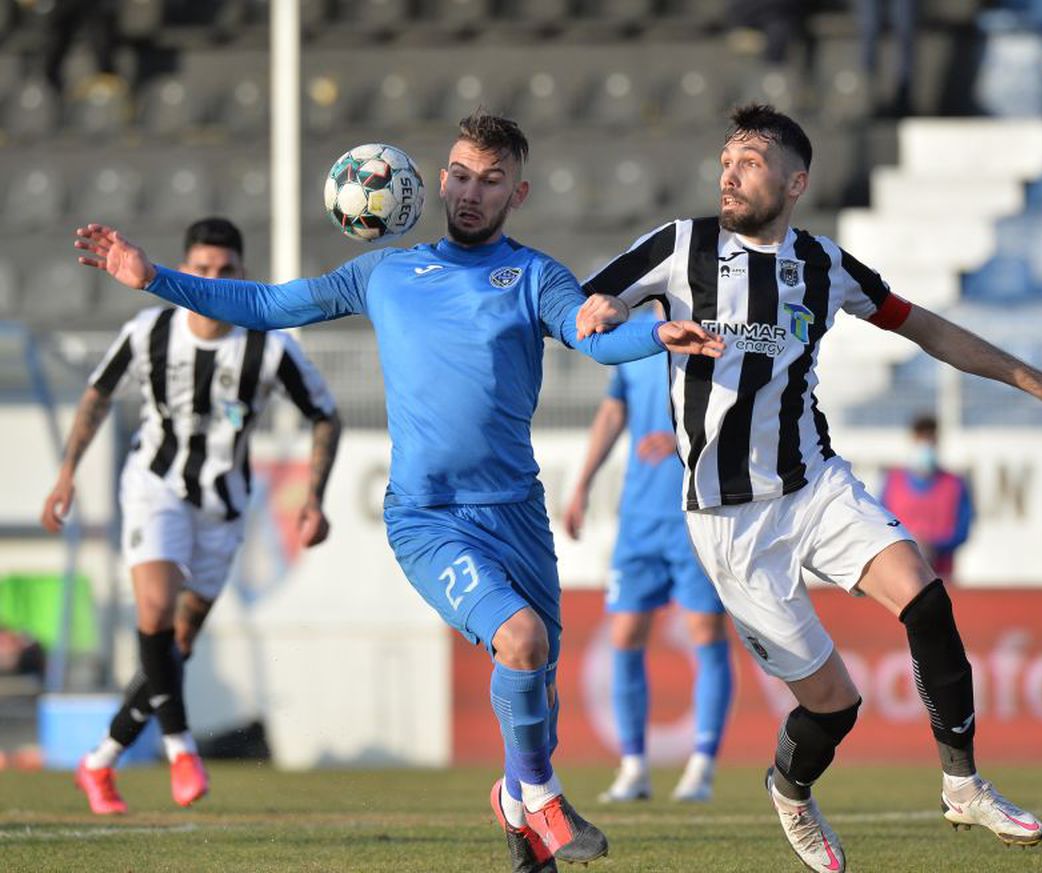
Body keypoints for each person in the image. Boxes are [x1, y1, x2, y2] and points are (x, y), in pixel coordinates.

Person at [72, 111, 722, 872]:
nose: (471, 192)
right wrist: (152, 278)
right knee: (521, 640)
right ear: (438, 179)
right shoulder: (383, 274)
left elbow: (593, 336)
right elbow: (266, 305)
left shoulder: (535, 276)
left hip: (516, 510)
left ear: (519, 192)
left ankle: (515, 799)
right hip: (428, 516)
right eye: (460, 174)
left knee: (534, 692)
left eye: (491, 180)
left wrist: (651, 334)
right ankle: (543, 802)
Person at [582, 103, 1042, 871]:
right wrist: (603, 313)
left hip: (814, 487)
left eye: (751, 160)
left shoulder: (824, 265)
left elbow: (926, 328)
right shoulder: (680, 246)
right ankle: (790, 789)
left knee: (927, 599)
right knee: (834, 707)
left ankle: (962, 782)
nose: (729, 172)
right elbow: (580, 310)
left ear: (795, 181)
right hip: (729, 524)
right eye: (726, 158)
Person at [44, 217, 342, 815]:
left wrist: (314, 497)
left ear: (241, 275)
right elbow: (98, 395)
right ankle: (181, 749)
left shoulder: (266, 345)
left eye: (224, 270)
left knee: (175, 645)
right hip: (155, 486)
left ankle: (99, 762)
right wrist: (68, 471)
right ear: (183, 267)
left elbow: (325, 414)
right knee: (155, 607)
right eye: (200, 269)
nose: (212, 279)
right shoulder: (150, 330)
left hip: (224, 508)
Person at [562, 306, 733, 805]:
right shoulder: (632, 344)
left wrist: (683, 443)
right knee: (625, 634)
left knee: (705, 631)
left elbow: (742, 415)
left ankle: (701, 766)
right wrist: (582, 484)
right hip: (638, 519)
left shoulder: (709, 342)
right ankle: (633, 766)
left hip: (696, 513)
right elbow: (614, 411)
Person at [881, 414, 973, 581]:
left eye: (930, 439)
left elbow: (963, 530)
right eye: (920, 440)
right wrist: (909, 546)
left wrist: (934, 547)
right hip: (900, 575)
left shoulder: (955, 484)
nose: (925, 445)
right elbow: (879, 522)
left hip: (942, 574)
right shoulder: (893, 481)